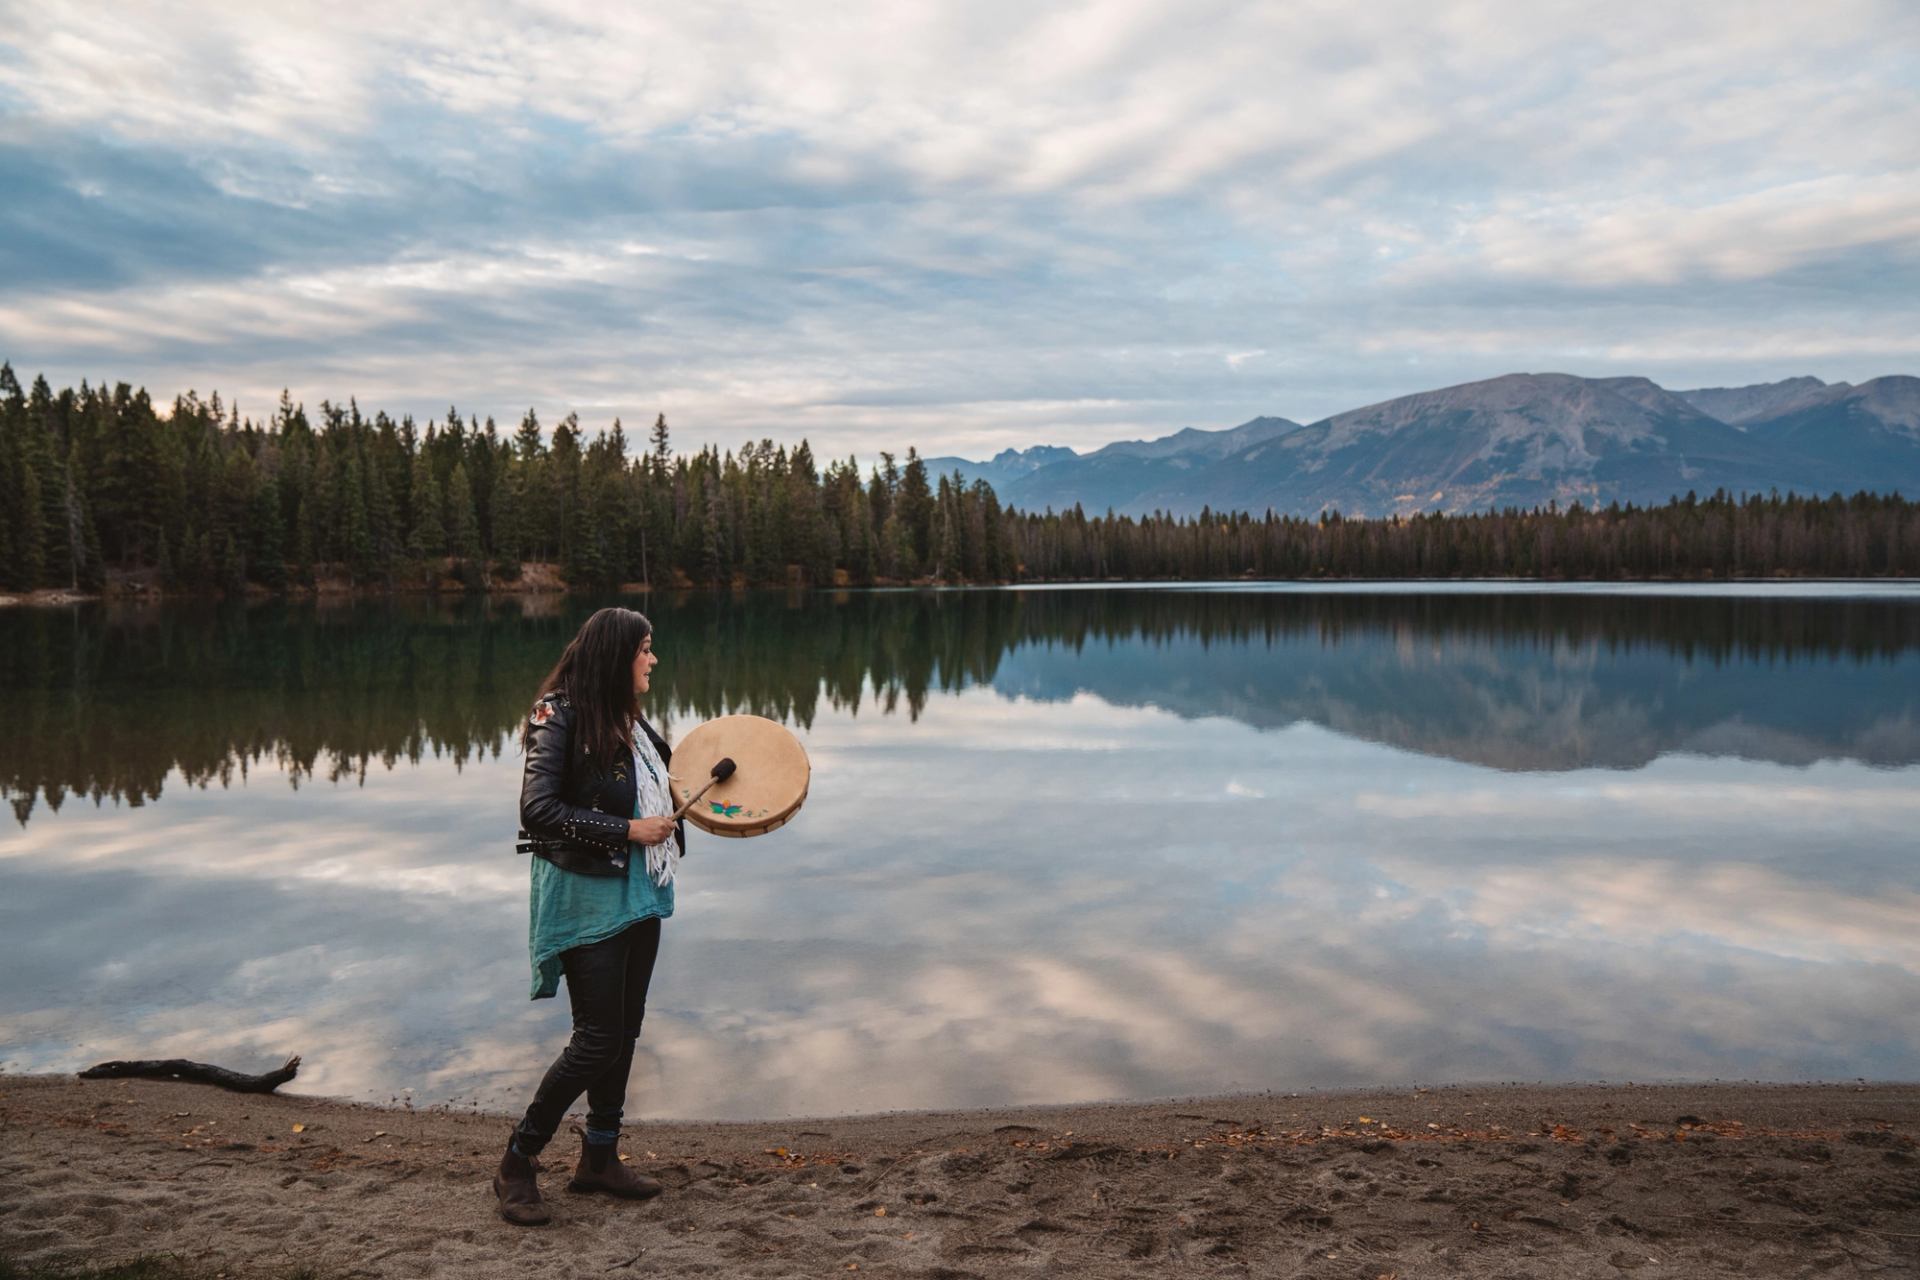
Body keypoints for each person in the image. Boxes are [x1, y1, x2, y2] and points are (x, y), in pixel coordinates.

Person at [494, 606, 685, 1227]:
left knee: (624, 1030)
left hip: (638, 891)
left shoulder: (631, 720)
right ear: (615, 654)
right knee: (596, 1037)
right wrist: (628, 828)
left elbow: (667, 789)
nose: (653, 659)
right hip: (583, 892)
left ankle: (599, 1156)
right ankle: (517, 1162)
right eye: (645, 649)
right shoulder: (559, 712)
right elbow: (538, 810)